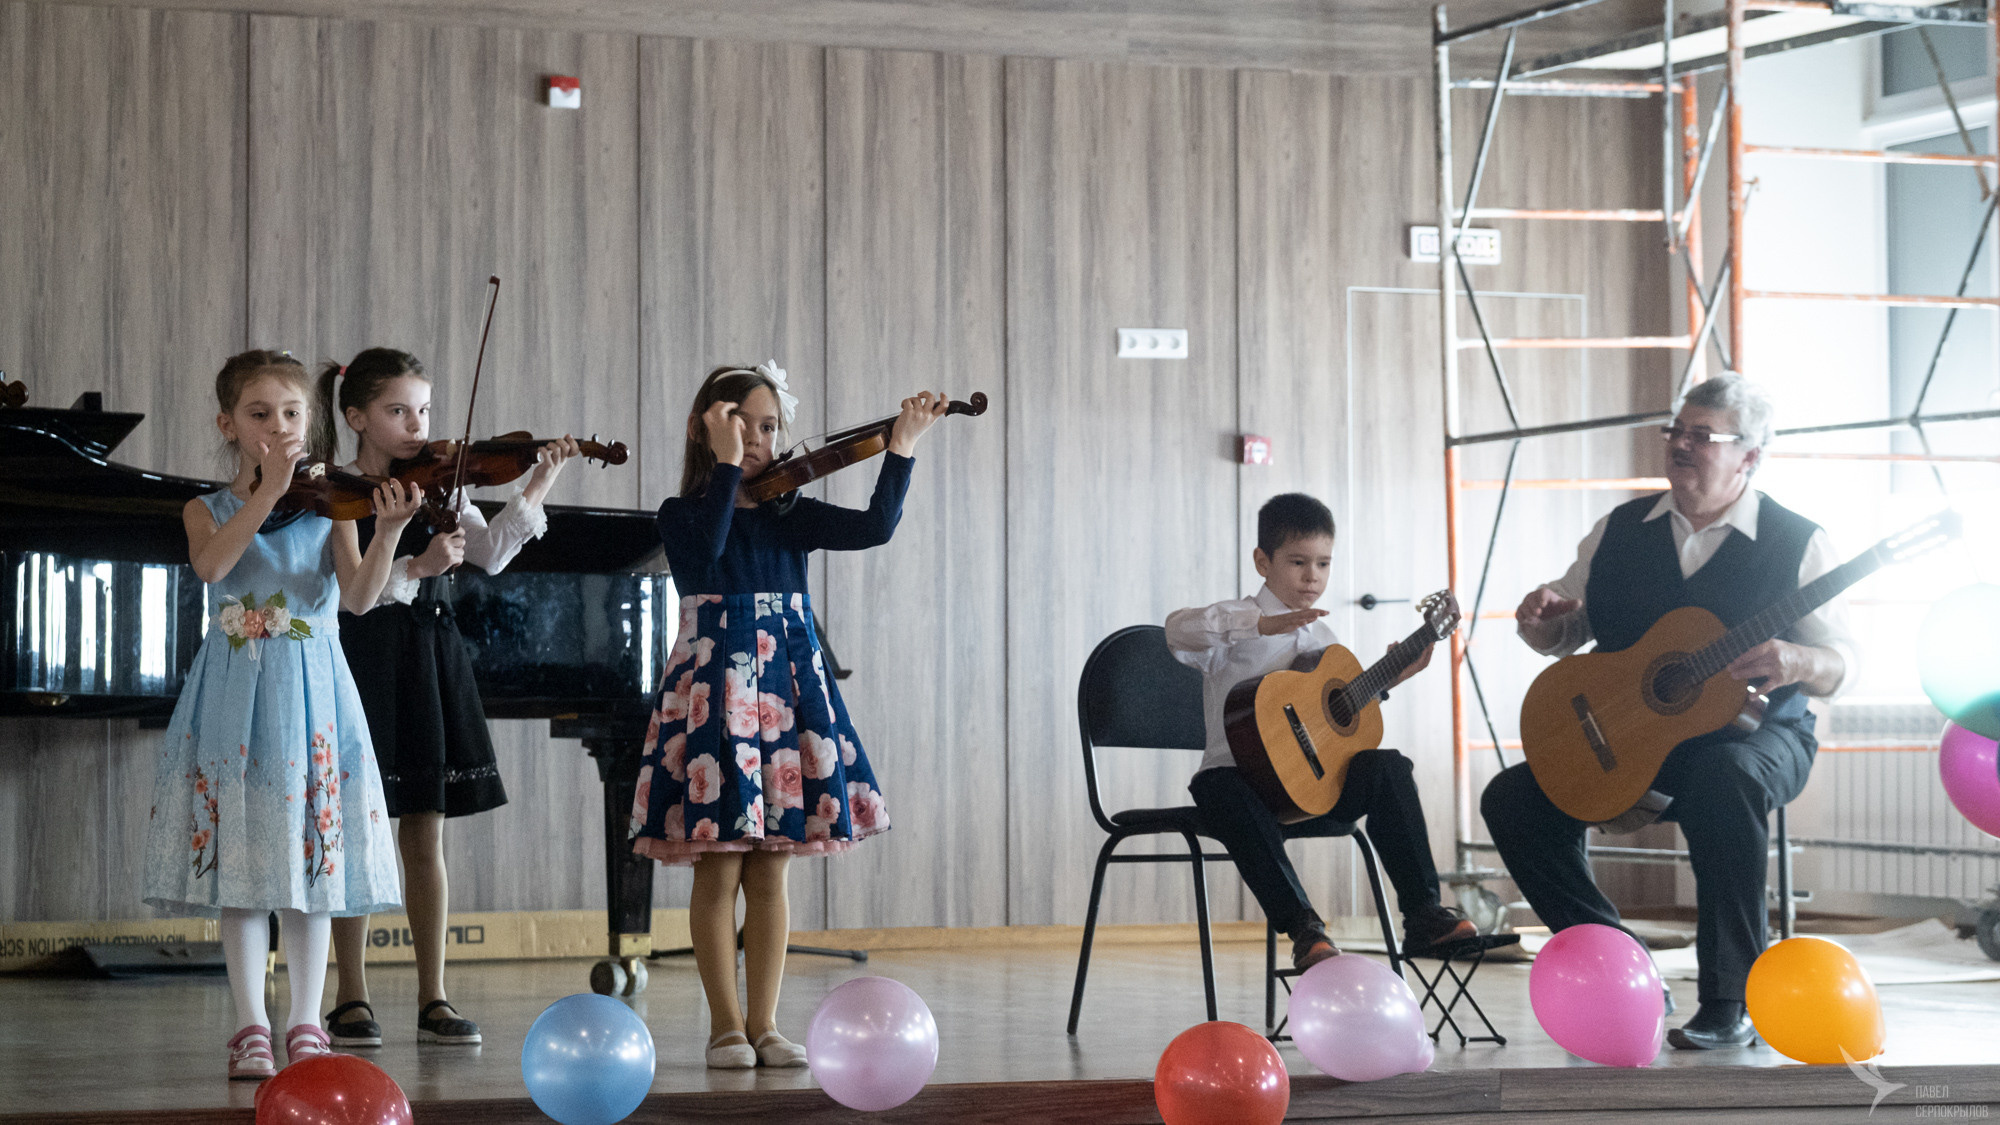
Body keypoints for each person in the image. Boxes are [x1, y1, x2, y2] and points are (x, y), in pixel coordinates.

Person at [1487, 374, 1855, 1050]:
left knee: (1726, 775)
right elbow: (1568, 630)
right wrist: (1541, 622)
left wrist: (1799, 661)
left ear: (1749, 455)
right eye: (1676, 431)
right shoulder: (1621, 529)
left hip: (1761, 734)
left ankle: (1728, 997)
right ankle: (1622, 965)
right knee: (1512, 799)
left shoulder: (1798, 541)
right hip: (1633, 734)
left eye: (1700, 435)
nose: (1680, 445)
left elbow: (1843, 664)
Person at [628, 362, 947, 1068]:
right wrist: (725, 469)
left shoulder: (790, 512)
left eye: (770, 426)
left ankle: (766, 1023)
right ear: (709, 427)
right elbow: (707, 551)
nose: (761, 438)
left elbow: (875, 527)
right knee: (719, 865)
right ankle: (725, 1027)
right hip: (715, 692)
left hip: (785, 690)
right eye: (744, 423)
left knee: (771, 869)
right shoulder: (681, 513)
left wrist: (904, 448)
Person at [141, 350, 410, 1079]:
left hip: (312, 689)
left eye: (292, 414)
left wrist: (386, 533)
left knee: (310, 861)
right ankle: (251, 1024)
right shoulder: (208, 507)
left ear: (311, 423)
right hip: (235, 692)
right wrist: (267, 492)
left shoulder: (333, 508)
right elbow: (213, 568)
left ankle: (304, 1022)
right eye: (260, 415)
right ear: (228, 425)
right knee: (244, 865)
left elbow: (356, 598)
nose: (278, 427)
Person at [313, 347, 579, 1048]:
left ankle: (433, 993)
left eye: (424, 410)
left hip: (431, 654)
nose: (416, 425)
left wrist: (538, 482)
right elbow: (353, 598)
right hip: (364, 657)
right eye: (398, 410)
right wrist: (416, 563)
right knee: (358, 827)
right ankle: (351, 994)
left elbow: (490, 554)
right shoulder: (340, 491)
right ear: (356, 416)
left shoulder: (439, 485)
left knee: (424, 829)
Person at [1166, 492, 1475, 972]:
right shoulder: (1231, 629)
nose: (1313, 577)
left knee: (1388, 766)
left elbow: (1338, 726)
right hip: (1243, 785)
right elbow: (1177, 631)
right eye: (1298, 562)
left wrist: (1391, 678)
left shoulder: (1327, 644)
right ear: (1262, 561)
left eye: (1324, 564)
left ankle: (1424, 915)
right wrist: (1259, 624)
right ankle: (1305, 930)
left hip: (1310, 792)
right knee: (1217, 787)